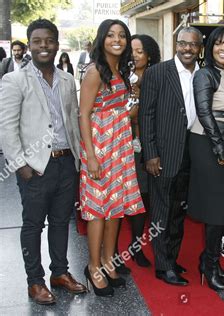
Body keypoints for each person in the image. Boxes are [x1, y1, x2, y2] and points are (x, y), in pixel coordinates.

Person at [0, 18, 87, 305]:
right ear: (29, 45)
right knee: (33, 225)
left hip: (65, 164)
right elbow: (6, 127)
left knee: (62, 221)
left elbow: (73, 122)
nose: (43, 46)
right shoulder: (14, 80)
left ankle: (60, 273)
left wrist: (78, 157)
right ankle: (34, 282)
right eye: (37, 41)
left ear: (57, 44)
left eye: (48, 40)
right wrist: (20, 165)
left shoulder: (65, 79)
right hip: (35, 167)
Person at [79, 19, 145, 297]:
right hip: (99, 148)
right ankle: (93, 266)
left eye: (122, 35)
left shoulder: (121, 70)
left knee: (115, 208)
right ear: (101, 39)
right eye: (111, 35)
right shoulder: (95, 71)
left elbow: (122, 111)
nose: (116, 40)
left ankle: (108, 260)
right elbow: (83, 114)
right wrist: (91, 157)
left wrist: (136, 103)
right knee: (97, 212)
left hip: (120, 147)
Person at [139, 27, 203, 287]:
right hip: (163, 155)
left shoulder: (203, 74)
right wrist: (150, 154)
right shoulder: (157, 72)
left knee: (178, 211)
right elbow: (146, 115)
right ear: (177, 45)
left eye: (193, 44)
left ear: (200, 47)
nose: (187, 48)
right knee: (162, 212)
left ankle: (171, 259)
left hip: (192, 153)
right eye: (183, 43)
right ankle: (163, 267)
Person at [187, 26, 224, 291]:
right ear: (210, 48)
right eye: (218, 44)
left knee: (223, 208)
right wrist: (219, 147)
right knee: (216, 208)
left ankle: (207, 260)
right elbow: (203, 112)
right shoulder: (204, 74)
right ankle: (209, 264)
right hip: (210, 145)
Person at [114, 34, 161, 270]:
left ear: (150, 54)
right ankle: (112, 254)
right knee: (119, 201)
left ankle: (136, 247)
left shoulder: (157, 78)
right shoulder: (120, 78)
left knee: (142, 200)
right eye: (131, 50)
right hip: (122, 147)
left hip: (148, 148)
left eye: (139, 51)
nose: (134, 55)